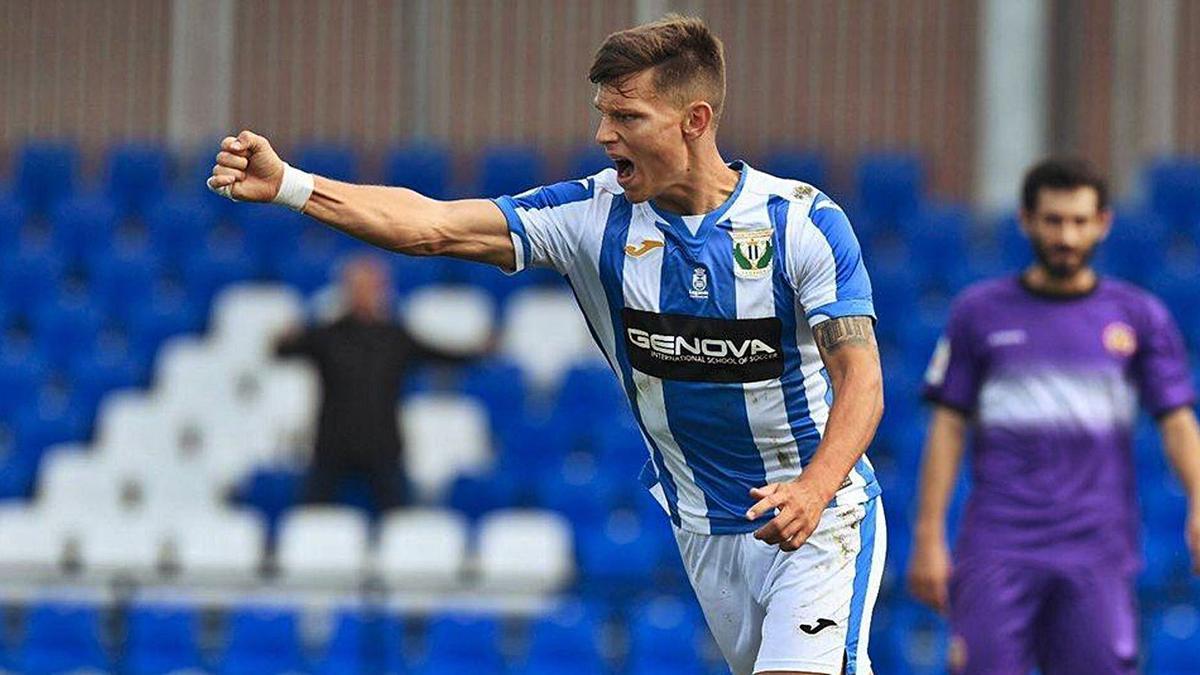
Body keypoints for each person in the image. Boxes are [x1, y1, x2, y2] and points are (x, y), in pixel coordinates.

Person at [207, 16, 885, 675]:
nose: (602, 134)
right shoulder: (591, 217)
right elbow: (432, 226)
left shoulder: (802, 224)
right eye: (601, 114)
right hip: (705, 528)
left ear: (695, 121)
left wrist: (813, 488)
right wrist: (292, 186)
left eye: (627, 117)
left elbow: (861, 379)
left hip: (820, 515)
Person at [909, 158, 1200, 674]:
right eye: (1054, 220)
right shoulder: (978, 313)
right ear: (1026, 220)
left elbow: (1176, 421)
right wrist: (929, 537)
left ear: (1103, 223)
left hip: (1098, 548)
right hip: (999, 545)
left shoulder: (1138, 316)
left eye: (1080, 221)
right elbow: (948, 427)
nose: (1067, 235)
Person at [276, 254, 472, 513]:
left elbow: (440, 353)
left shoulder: (395, 338)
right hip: (333, 443)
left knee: (399, 523)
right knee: (312, 519)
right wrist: (283, 337)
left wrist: (479, 350)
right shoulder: (327, 335)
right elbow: (283, 350)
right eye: (358, 286)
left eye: (371, 286)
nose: (364, 293)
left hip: (383, 444)